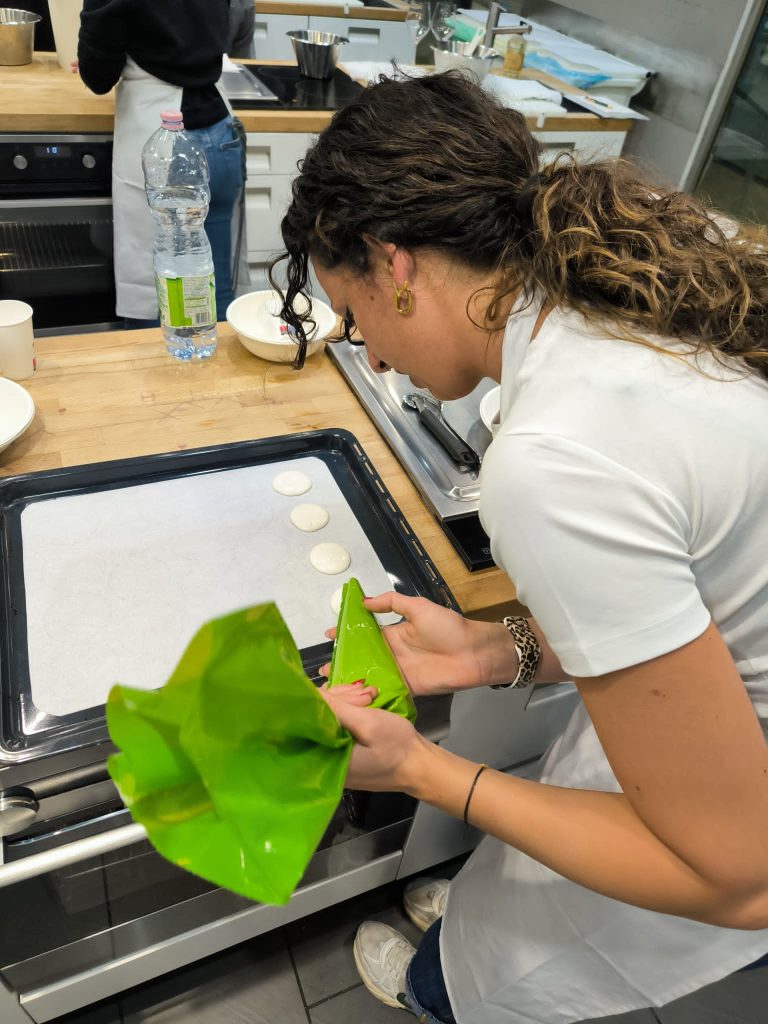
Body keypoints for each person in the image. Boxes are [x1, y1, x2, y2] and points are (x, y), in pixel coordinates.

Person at [270, 72, 768, 1023]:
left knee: (496, 973)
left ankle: (436, 990)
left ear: (396, 264)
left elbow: (736, 874)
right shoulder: (610, 299)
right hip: (719, 723)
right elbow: (699, 589)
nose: (367, 353)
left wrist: (421, 768)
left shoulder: (555, 463)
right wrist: (500, 648)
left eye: (354, 312)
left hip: (737, 820)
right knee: (508, 885)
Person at [76, 0, 245, 326]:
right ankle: (216, 376)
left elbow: (98, 76)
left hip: (165, 143)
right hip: (220, 130)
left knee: (161, 302)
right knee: (213, 290)